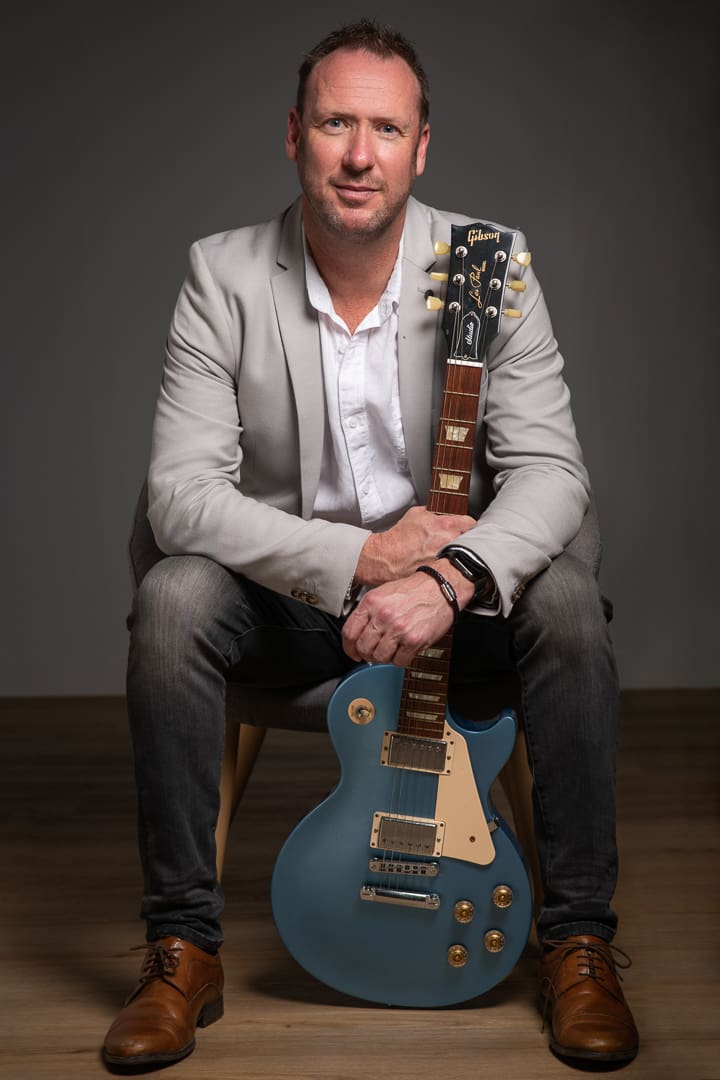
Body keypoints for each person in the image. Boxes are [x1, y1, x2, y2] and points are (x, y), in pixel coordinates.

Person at [102, 18, 638, 1071]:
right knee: (171, 599)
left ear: (421, 147)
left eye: (385, 128)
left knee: (570, 604)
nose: (360, 153)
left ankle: (579, 942)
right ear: (294, 133)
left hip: (457, 611)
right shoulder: (223, 277)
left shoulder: (492, 264)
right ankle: (181, 948)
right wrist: (362, 560)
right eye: (337, 122)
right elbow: (179, 498)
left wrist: (447, 574)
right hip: (296, 608)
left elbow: (553, 475)